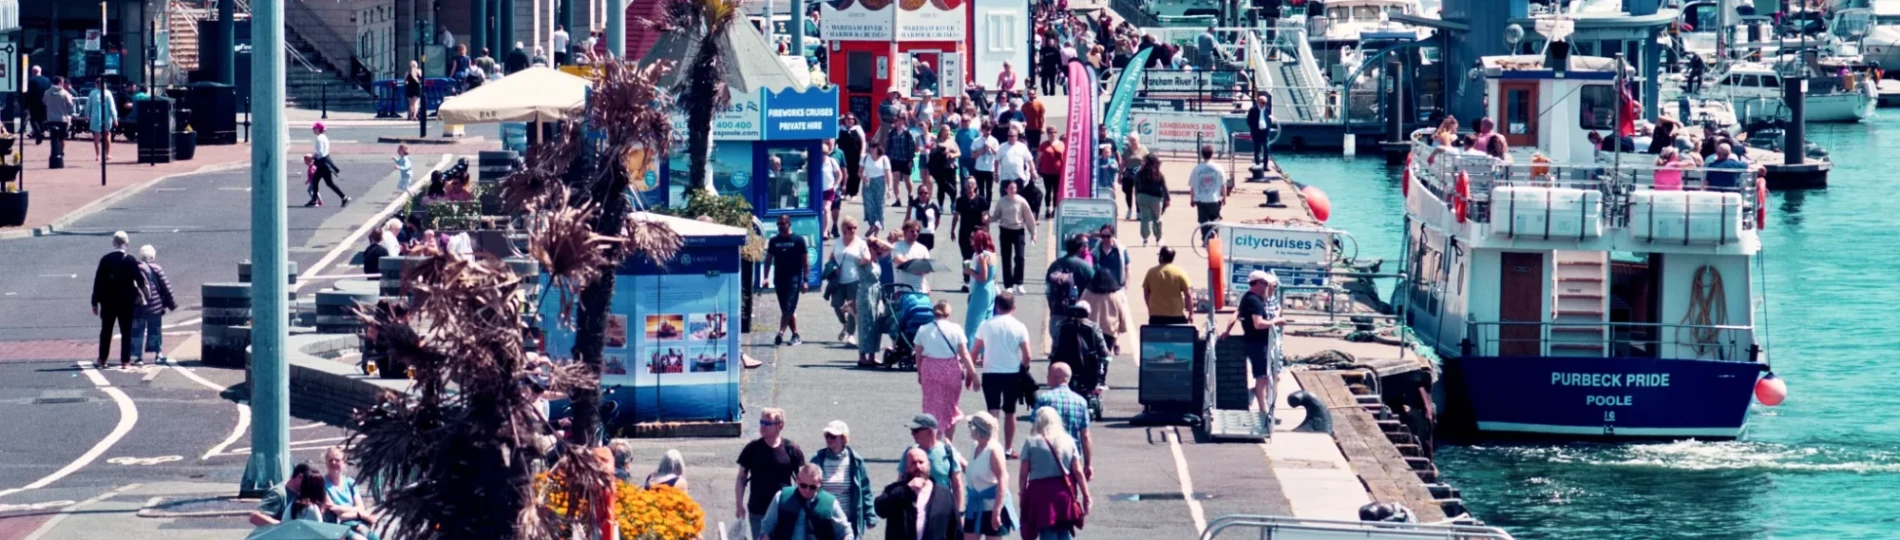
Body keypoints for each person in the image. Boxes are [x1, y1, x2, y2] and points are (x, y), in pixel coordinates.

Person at [972, 293, 1033, 456]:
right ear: (1013, 307)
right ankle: (1008, 448)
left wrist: (972, 373)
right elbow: (1027, 355)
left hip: (990, 373)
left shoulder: (986, 325)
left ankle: (993, 446)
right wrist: (1023, 368)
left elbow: (975, 350)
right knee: (1010, 411)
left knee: (992, 411)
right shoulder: (1019, 327)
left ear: (997, 306)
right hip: (1012, 373)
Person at [1225, 270, 1289, 424]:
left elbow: (1237, 313)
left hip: (1262, 343)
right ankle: (1264, 412)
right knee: (1263, 378)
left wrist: (1227, 330)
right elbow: (1258, 324)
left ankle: (1263, 406)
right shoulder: (1254, 301)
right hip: (1258, 344)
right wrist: (1277, 322)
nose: (1268, 287)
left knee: (1271, 377)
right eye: (1266, 284)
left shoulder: (1250, 298)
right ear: (1258, 284)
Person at [1018, 408, 1091, 540]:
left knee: (1047, 531)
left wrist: (1022, 493)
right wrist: (1086, 495)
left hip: (1041, 494)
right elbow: (1078, 472)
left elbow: (1023, 473)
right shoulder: (1069, 440)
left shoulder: (1031, 442)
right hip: (1064, 492)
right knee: (1063, 531)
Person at [738, 408, 810, 540]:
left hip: (784, 509)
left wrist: (804, 504)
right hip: (758, 509)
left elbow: (803, 479)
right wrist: (739, 504)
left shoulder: (791, 449)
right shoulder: (752, 448)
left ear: (780, 425)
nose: (762, 426)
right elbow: (741, 477)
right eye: (761, 422)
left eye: (767, 423)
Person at [916, 301, 978, 441]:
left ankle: (932, 441)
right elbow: (964, 354)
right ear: (948, 314)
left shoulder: (923, 329)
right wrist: (973, 375)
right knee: (950, 407)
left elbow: (918, 354)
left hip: (930, 368)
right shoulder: (956, 329)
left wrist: (920, 372)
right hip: (950, 369)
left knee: (931, 406)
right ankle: (948, 442)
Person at [876, 447, 962, 540]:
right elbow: (880, 509)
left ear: (929, 465)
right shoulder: (894, 490)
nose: (918, 466)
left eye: (921, 462)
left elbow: (955, 530)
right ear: (907, 468)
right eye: (913, 463)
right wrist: (906, 490)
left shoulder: (944, 495)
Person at [92, 231, 148, 369]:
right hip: (126, 301)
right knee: (126, 331)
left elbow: (98, 281)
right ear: (127, 244)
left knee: (106, 330)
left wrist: (95, 302)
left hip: (108, 301)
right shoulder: (130, 260)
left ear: (113, 243)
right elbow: (140, 280)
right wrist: (146, 295)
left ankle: (102, 359)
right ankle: (125, 360)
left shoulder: (105, 259)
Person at [813, 421, 877, 537]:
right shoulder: (817, 459)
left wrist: (870, 515)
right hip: (825, 519)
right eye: (827, 435)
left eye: (833, 436)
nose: (829, 439)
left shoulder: (855, 461)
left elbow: (865, 489)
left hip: (848, 520)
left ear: (843, 439)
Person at [760, 464, 855, 540]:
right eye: (803, 485)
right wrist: (765, 536)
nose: (807, 490)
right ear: (797, 480)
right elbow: (767, 526)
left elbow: (846, 531)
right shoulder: (781, 497)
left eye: (812, 487)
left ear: (820, 483)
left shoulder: (830, 503)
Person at [963, 412, 1015, 539]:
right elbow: (973, 469)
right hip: (974, 504)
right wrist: (955, 456)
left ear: (977, 429)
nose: (969, 428)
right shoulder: (975, 446)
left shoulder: (994, 450)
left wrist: (997, 511)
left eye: (971, 425)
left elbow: (1003, 479)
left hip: (991, 507)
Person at [1034, 363, 1095, 471]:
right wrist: (1088, 464)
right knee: (1069, 486)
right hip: (1071, 456)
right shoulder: (1081, 402)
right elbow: (1085, 436)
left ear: (1056, 376)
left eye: (1049, 374)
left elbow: (1035, 431)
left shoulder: (1043, 400)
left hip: (1047, 454)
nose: (1047, 378)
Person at [901, 414, 968, 512]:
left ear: (929, 432)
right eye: (911, 431)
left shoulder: (948, 452)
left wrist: (958, 514)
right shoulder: (910, 453)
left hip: (942, 509)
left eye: (916, 431)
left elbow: (957, 486)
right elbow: (900, 482)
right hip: (915, 509)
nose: (912, 434)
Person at [1083, 228, 1128, 354]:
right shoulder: (1095, 252)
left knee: (1115, 314)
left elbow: (1127, 268)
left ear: (1113, 236)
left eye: (1108, 236)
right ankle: (1111, 342)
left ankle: (1116, 341)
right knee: (1104, 314)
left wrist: (1126, 286)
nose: (1105, 239)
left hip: (1116, 288)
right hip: (1099, 287)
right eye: (1103, 236)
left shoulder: (1121, 251)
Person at [768, 215, 812, 346]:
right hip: (779, 278)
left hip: (794, 278)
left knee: (789, 306)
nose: (780, 226)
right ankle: (795, 335)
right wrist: (765, 277)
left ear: (789, 224)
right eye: (778, 224)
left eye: (783, 224)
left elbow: (805, 262)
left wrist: (805, 280)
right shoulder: (774, 241)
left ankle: (780, 333)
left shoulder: (798, 240)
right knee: (786, 309)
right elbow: (768, 260)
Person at [131, 245, 178, 365]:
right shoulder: (157, 268)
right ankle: (157, 354)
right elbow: (166, 287)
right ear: (152, 256)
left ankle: (138, 357)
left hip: (137, 306)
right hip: (154, 306)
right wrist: (172, 304)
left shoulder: (134, 268)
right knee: (155, 330)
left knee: (137, 331)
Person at [989, 181, 1036, 294]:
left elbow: (1029, 218)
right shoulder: (1002, 201)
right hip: (1005, 230)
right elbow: (996, 216)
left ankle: (1019, 283)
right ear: (1006, 189)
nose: (1013, 190)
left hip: (1018, 231)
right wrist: (987, 220)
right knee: (1006, 258)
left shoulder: (1021, 201)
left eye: (1014, 188)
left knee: (1019, 257)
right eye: (1010, 188)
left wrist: (1033, 233)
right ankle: (1008, 285)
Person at [322, 447, 380, 539]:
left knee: (374, 538)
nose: (333, 463)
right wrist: (360, 514)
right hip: (336, 527)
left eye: (337, 460)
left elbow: (360, 507)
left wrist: (346, 512)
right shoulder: (322, 485)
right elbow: (335, 510)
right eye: (330, 460)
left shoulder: (350, 483)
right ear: (326, 463)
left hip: (356, 523)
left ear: (344, 463)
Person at [854, 230, 890, 367]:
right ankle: (862, 356)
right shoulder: (861, 260)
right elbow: (867, 258)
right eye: (877, 251)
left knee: (876, 324)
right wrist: (867, 244)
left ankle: (872, 355)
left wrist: (879, 242)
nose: (879, 253)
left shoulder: (877, 262)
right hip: (865, 292)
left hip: (877, 293)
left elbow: (891, 249)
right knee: (865, 324)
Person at [1044, 235, 1095, 331]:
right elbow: (1095, 286)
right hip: (1080, 313)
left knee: (1057, 342)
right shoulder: (1085, 267)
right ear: (1079, 248)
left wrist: (1052, 307)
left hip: (1058, 312)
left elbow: (1047, 289)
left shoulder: (1055, 265)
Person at [832, 218, 868, 345]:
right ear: (843, 229)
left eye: (854, 228)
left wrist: (860, 263)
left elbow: (867, 258)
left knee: (853, 308)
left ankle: (851, 334)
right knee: (836, 305)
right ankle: (845, 324)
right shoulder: (837, 242)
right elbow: (832, 257)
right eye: (849, 228)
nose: (852, 230)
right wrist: (833, 268)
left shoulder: (860, 243)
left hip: (854, 279)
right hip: (838, 280)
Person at [250, 462, 319, 526]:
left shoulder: (301, 493)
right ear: (300, 477)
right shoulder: (279, 494)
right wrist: (282, 526)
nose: (311, 486)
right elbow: (255, 517)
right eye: (310, 483)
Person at [953, 179, 991, 291]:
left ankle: (980, 278)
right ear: (964, 186)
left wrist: (986, 227)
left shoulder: (982, 200)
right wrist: (952, 230)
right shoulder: (960, 200)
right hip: (964, 232)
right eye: (968, 184)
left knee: (979, 256)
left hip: (978, 233)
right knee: (966, 257)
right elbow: (956, 216)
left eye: (972, 184)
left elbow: (986, 217)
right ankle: (967, 280)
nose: (970, 186)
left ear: (976, 186)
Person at [1143, 247, 1196, 325]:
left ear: (1161, 257)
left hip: (1156, 316)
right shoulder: (1180, 272)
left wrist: (1150, 308)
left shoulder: (1151, 272)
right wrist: (1191, 314)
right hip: (1176, 316)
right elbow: (1188, 295)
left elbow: (1146, 293)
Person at [307, 123, 349, 207]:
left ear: (318, 129)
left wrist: (313, 156)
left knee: (319, 182)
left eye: (314, 128)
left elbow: (321, 153)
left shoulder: (319, 138)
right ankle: (343, 197)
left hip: (322, 163)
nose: (313, 130)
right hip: (325, 162)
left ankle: (314, 200)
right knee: (325, 182)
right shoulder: (324, 137)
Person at [1134, 154, 1169, 245]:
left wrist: (1137, 197)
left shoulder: (1140, 173)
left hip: (1142, 196)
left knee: (1144, 218)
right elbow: (1164, 187)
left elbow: (1136, 186)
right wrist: (1167, 198)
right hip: (1155, 198)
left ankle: (1145, 239)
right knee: (1156, 218)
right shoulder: (1158, 173)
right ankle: (1158, 238)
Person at [888, 111, 922, 206]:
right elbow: (889, 146)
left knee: (907, 178)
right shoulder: (891, 132)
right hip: (895, 158)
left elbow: (912, 147)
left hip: (905, 158)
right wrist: (888, 157)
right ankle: (897, 199)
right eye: (897, 120)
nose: (898, 122)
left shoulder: (908, 133)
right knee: (896, 178)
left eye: (900, 120)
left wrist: (911, 160)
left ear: (904, 121)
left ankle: (910, 196)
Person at [1189, 144, 1226, 227]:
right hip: (1214, 199)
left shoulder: (1197, 169)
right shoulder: (1219, 168)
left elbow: (1192, 186)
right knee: (1215, 222)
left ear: (1202, 154)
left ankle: (1205, 237)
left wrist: (1191, 199)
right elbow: (1223, 184)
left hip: (1200, 200)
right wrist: (1224, 197)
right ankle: (1213, 236)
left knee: (1203, 223)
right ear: (1212, 154)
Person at [892, 220, 934, 294]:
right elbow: (901, 263)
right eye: (912, 231)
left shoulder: (923, 248)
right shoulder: (897, 246)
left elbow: (927, 269)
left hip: (921, 290)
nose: (915, 233)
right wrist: (919, 268)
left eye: (917, 231)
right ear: (905, 232)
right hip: (903, 289)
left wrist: (910, 266)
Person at [43, 77, 75, 166]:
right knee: (61, 138)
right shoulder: (65, 93)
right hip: (62, 119)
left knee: (53, 138)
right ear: (61, 82)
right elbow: (70, 105)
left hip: (51, 119)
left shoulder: (47, 92)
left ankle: (54, 152)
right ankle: (60, 152)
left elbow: (44, 102)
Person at [1036, 128, 1066, 218]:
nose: (1052, 134)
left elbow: (1065, 157)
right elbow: (1039, 158)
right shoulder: (1043, 145)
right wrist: (1037, 167)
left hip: (1058, 171)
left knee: (1056, 191)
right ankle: (1048, 209)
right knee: (1048, 191)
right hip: (1047, 171)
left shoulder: (1061, 144)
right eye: (1050, 133)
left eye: (1054, 132)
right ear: (1048, 134)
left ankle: (1055, 209)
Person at [929, 128, 962, 209]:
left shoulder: (952, 141)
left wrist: (952, 155)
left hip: (951, 167)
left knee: (953, 187)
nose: (947, 132)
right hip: (939, 168)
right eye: (945, 130)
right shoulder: (936, 142)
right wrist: (942, 152)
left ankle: (953, 203)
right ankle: (940, 206)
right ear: (941, 132)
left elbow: (959, 153)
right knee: (941, 187)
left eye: (948, 130)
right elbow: (932, 153)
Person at [87, 78, 119, 160]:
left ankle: (98, 155)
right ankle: (107, 154)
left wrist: (86, 115)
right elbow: (112, 107)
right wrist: (115, 118)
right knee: (107, 134)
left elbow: (88, 105)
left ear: (96, 84)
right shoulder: (108, 93)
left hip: (95, 116)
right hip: (106, 116)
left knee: (97, 135)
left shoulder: (92, 93)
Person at [863, 143, 893, 228]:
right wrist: (863, 177)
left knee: (879, 207)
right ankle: (872, 225)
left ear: (878, 148)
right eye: (870, 147)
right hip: (868, 183)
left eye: (873, 147)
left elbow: (888, 174)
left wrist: (890, 189)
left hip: (880, 182)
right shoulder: (865, 158)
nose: (871, 149)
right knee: (869, 206)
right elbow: (859, 172)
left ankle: (876, 232)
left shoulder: (884, 159)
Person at [1119, 135, 1148, 221]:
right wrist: (1119, 175)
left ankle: (1139, 213)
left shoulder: (1144, 149)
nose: (1132, 141)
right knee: (1128, 193)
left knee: (1138, 194)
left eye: (1134, 140)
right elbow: (1123, 164)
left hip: (1140, 175)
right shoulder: (1127, 151)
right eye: (1130, 140)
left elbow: (1148, 162)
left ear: (1138, 140)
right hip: (1128, 174)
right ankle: (1129, 209)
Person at [909, 182, 943, 252]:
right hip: (916, 234)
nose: (923, 195)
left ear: (928, 194)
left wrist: (933, 229)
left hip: (928, 235)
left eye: (925, 193)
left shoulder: (933, 206)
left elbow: (938, 219)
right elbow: (907, 218)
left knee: (926, 255)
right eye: (921, 193)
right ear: (918, 194)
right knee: (915, 254)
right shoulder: (912, 205)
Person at [972, 120, 1001, 200]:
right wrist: (980, 152)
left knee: (989, 190)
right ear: (982, 130)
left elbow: (998, 155)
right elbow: (972, 155)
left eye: (989, 129)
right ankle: (981, 208)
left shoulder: (994, 141)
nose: (988, 132)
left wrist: (990, 148)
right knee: (981, 190)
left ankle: (987, 208)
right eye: (986, 129)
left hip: (989, 169)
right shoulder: (976, 141)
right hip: (979, 168)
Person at [1247, 93, 1274, 167]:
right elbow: (1249, 121)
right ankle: (1257, 165)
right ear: (1258, 102)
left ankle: (1265, 166)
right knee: (1257, 149)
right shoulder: (1253, 110)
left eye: (1265, 103)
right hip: (1256, 132)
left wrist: (1268, 127)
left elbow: (1269, 119)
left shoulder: (1267, 109)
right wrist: (1254, 129)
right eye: (1262, 103)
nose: (1264, 104)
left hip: (1265, 132)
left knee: (1266, 149)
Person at [27, 66, 50, 142]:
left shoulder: (31, 81)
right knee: (42, 119)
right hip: (45, 103)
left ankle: (37, 132)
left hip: (34, 103)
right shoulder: (47, 80)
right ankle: (41, 132)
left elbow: (29, 93)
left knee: (33, 119)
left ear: (33, 72)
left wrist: (26, 104)